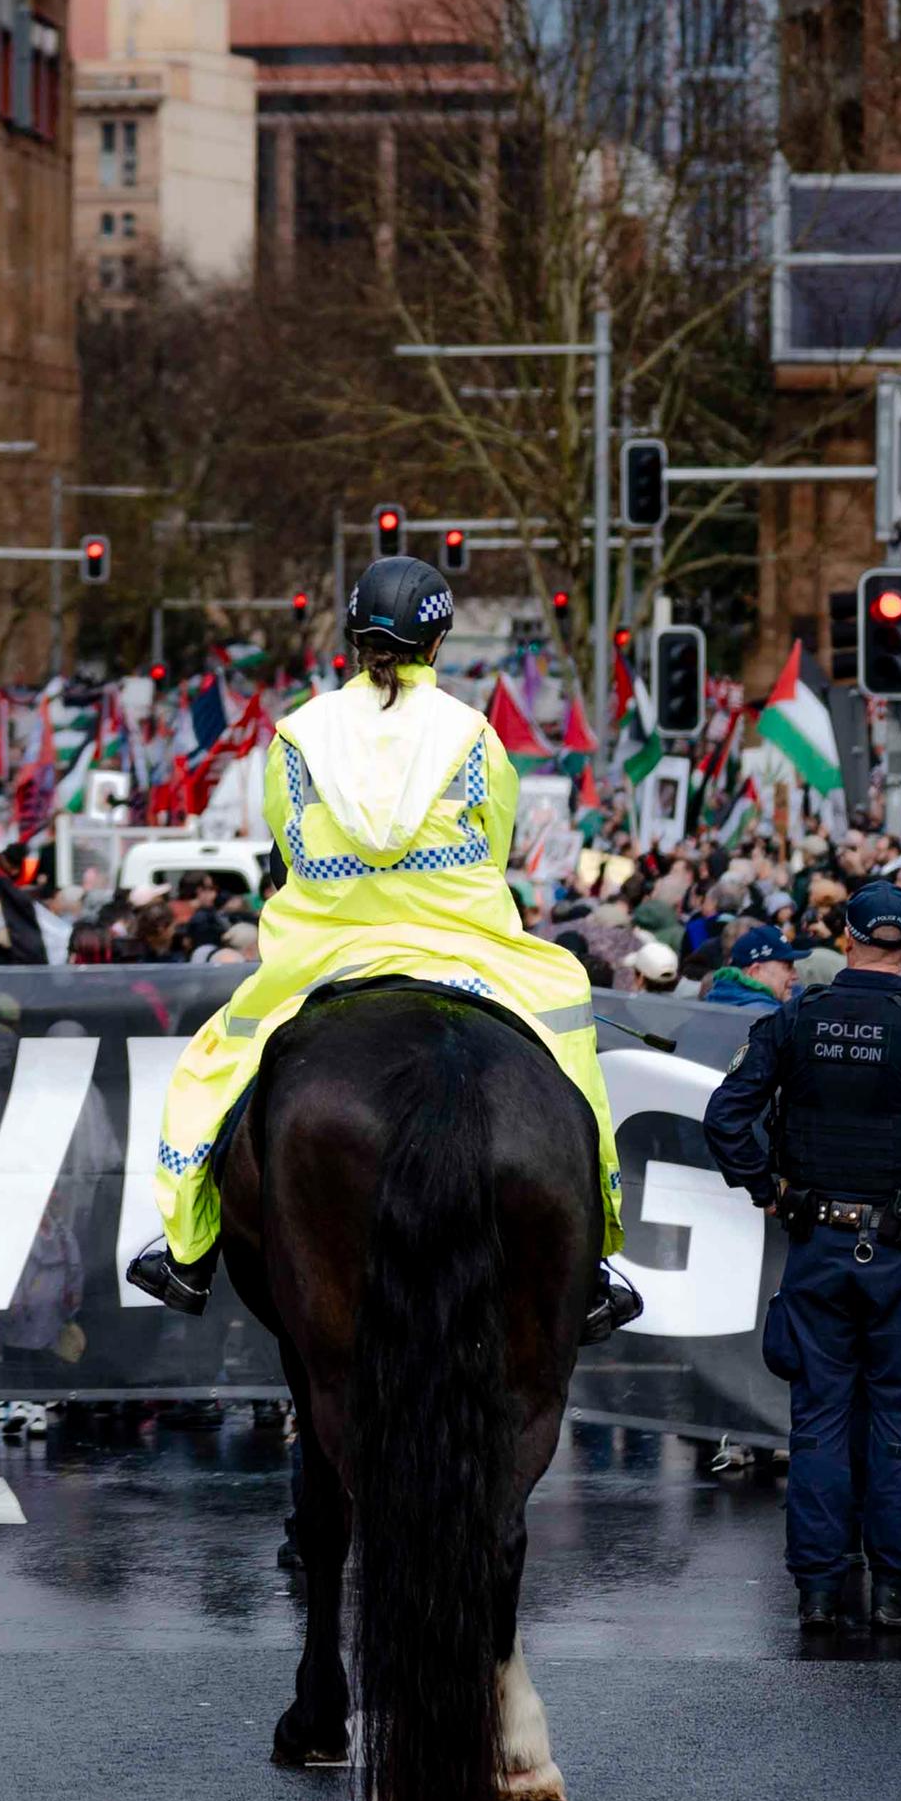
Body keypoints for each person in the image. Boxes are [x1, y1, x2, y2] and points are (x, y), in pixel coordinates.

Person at [127, 556, 634, 1340]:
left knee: (212, 1064)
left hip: (324, 949)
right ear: (437, 639)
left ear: (356, 636)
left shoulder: (297, 734)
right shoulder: (474, 734)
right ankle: (596, 1252)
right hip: (464, 944)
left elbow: (289, 845)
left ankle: (186, 1249)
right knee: (568, 1027)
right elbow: (491, 848)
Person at [702, 879, 901, 1636]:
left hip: (818, 1241)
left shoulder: (797, 1018)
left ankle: (818, 1588)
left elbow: (728, 1118)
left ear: (845, 936)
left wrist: (766, 1189)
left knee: (817, 1416)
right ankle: (895, 1588)